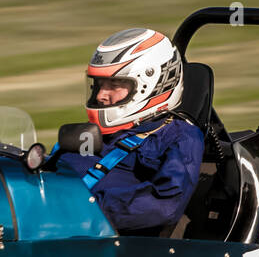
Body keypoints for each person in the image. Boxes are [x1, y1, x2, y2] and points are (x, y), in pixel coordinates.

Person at [55, 28, 204, 233]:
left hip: (98, 243)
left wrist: (82, 209)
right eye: (99, 85)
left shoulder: (179, 136)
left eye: (114, 85)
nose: (101, 96)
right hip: (42, 218)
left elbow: (164, 205)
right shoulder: (95, 131)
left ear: (151, 84)